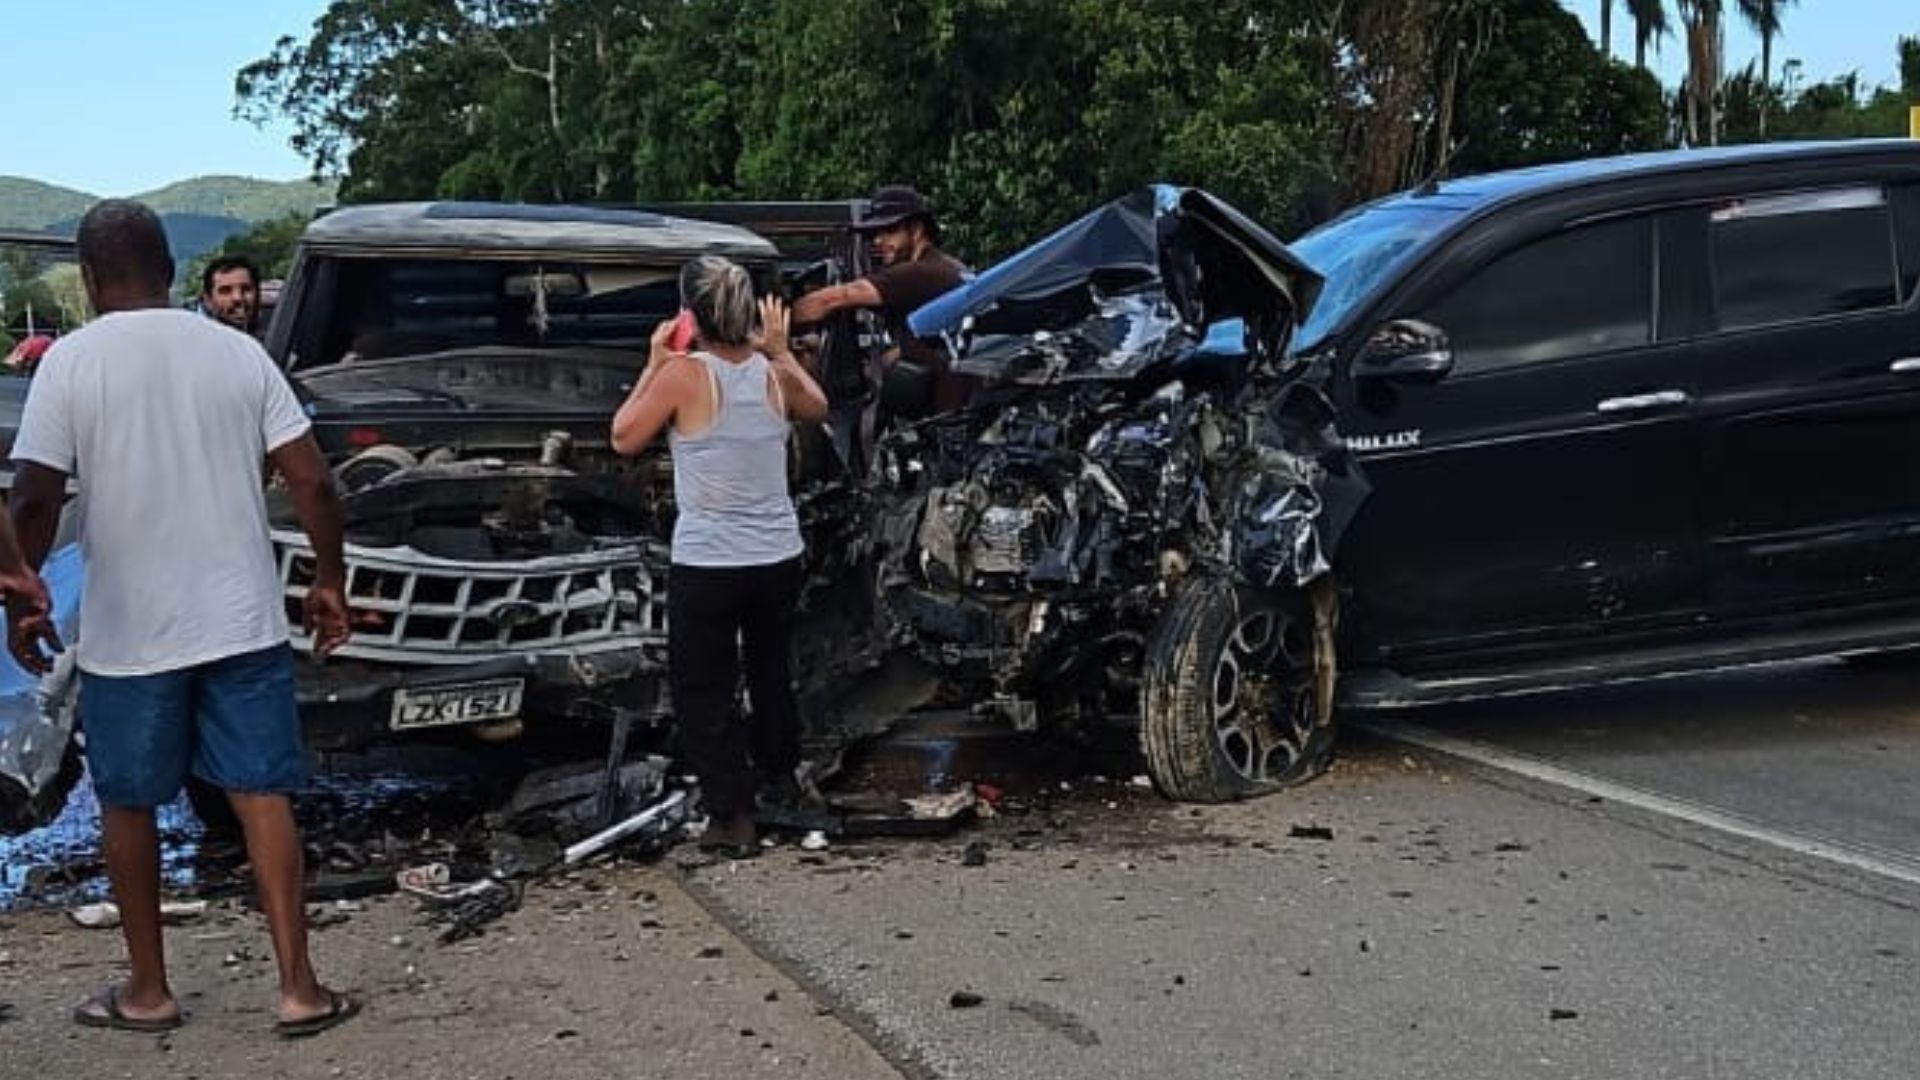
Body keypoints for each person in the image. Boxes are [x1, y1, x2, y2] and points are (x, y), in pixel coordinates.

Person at [6, 200, 360, 1038]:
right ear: (170, 271)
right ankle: (300, 988)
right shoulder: (237, 353)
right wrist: (330, 581)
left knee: (128, 803)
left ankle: (148, 991)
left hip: (131, 633)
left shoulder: (70, 363)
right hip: (241, 620)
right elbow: (312, 480)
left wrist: (23, 592)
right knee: (260, 794)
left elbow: (32, 494)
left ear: (90, 282)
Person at [609, 257, 828, 857]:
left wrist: (653, 362)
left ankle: (731, 814)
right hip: (776, 554)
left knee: (703, 687)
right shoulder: (770, 372)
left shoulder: (682, 374)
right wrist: (780, 351)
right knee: (770, 673)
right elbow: (818, 407)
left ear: (690, 316)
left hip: (709, 560)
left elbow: (624, 437)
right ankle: (782, 778)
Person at [790, 184, 969, 415]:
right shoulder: (948, 267)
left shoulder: (918, 273)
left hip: (946, 417)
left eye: (889, 230)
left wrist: (773, 322)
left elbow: (832, 299)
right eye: (876, 233)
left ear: (916, 230)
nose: (878, 240)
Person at [199, 255, 262, 336]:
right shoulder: (200, 342)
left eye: (246, 289)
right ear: (208, 300)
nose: (238, 298)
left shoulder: (276, 338)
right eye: (226, 291)